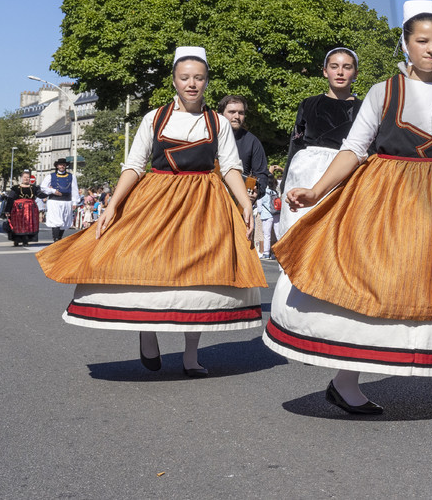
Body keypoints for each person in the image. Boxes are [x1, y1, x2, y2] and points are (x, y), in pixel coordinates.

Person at [267, 2, 432, 421]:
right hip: (389, 200)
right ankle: (345, 383)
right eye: (422, 41)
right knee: (376, 286)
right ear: (406, 43)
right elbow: (354, 149)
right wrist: (315, 191)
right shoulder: (383, 91)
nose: (431, 50)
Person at [37, 47, 265, 375]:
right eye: (185, 77)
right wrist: (112, 206)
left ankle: (190, 356)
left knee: (198, 281)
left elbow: (231, 167)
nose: (191, 84)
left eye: (198, 78)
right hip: (156, 199)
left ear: (206, 81)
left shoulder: (217, 122)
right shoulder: (154, 118)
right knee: (143, 262)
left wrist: (245, 204)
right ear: (173, 80)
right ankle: (146, 329)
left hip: (203, 203)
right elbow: (133, 165)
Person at [278, 48, 363, 238]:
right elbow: (296, 143)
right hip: (305, 172)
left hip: (343, 175)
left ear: (355, 73)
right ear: (325, 71)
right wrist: (284, 185)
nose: (340, 72)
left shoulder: (364, 108)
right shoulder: (308, 104)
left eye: (346, 67)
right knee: (299, 233)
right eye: (334, 66)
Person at [219, 95, 270, 252]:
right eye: (232, 112)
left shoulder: (252, 141)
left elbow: (262, 173)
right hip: (211, 203)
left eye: (241, 113)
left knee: (236, 253)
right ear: (221, 114)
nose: (237, 116)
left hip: (239, 209)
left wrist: (256, 192)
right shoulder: (209, 137)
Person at [40, 157, 80, 243]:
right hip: (54, 201)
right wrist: (53, 191)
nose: (62, 166)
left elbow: (74, 190)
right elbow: (43, 187)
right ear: (57, 166)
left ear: (65, 166)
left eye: (63, 165)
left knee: (64, 221)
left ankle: (59, 237)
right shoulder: (50, 176)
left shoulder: (71, 176)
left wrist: (75, 202)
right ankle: (56, 239)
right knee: (55, 220)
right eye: (60, 165)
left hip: (67, 201)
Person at [1, 174, 42, 246]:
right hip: (18, 209)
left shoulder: (34, 188)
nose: (26, 179)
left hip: (30, 209)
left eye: (28, 177)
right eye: (24, 177)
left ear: (30, 179)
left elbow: (41, 195)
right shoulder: (16, 188)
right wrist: (7, 210)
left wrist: (49, 191)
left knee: (28, 224)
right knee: (17, 224)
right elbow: (10, 199)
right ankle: (16, 240)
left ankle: (25, 240)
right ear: (21, 178)